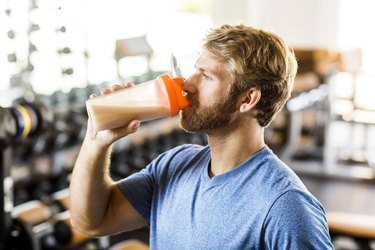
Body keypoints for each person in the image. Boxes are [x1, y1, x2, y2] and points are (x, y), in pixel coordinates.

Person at [70, 24, 334, 249]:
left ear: (247, 99)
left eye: (205, 76)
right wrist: (97, 141)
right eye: (194, 70)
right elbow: (92, 221)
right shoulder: (175, 165)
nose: (187, 84)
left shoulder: (285, 206)